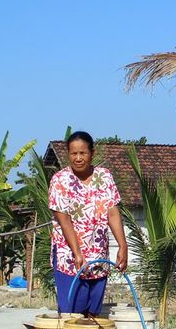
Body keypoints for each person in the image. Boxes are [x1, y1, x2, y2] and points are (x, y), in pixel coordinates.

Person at [48, 131, 127, 316]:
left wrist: (123, 246)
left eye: (82, 153)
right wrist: (77, 252)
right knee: (72, 310)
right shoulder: (60, 180)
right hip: (69, 256)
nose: (78, 158)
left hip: (98, 253)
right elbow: (63, 219)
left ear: (92, 153)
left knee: (93, 313)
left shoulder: (104, 177)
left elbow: (113, 213)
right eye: (73, 153)